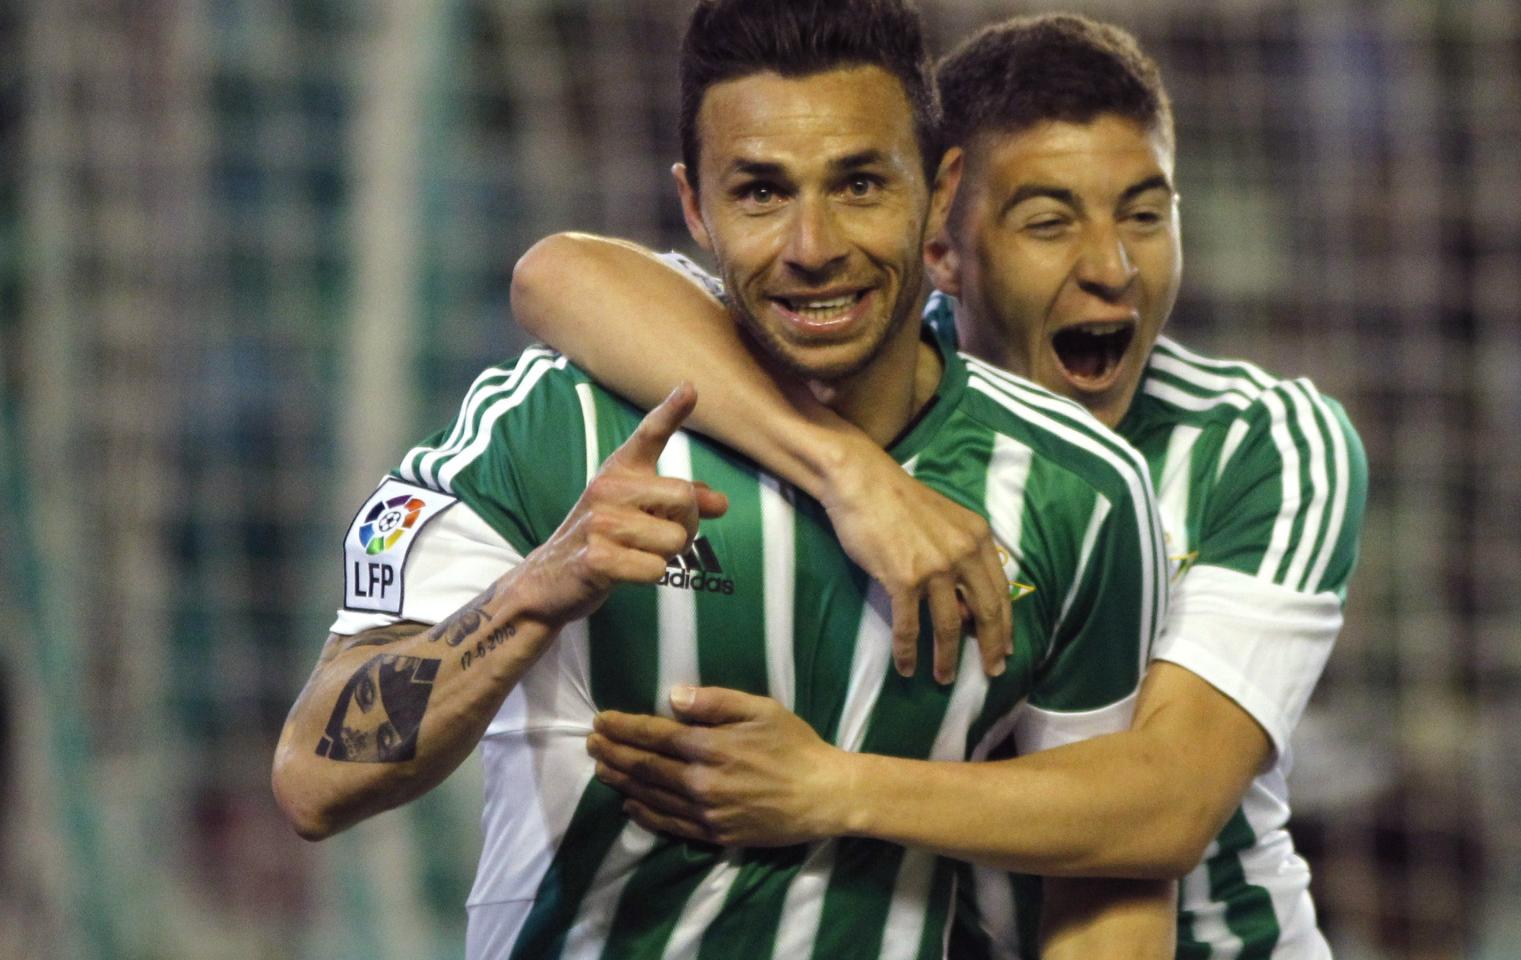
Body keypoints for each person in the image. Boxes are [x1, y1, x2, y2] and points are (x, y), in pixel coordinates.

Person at [271, 1, 1175, 957]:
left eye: (861, 185)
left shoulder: (1080, 489)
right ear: (694, 207)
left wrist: (836, 789)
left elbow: (1103, 871)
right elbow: (315, 775)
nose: (813, 246)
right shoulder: (558, 424)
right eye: (759, 193)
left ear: (942, 191)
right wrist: (538, 590)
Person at [510, 13, 1367, 960]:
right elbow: (561, 273)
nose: (1111, 269)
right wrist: (852, 472)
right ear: (939, 239)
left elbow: (1168, 800)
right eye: (1049, 221)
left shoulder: (1259, 441)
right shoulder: (857, 381)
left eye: (1144, 214)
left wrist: (832, 788)